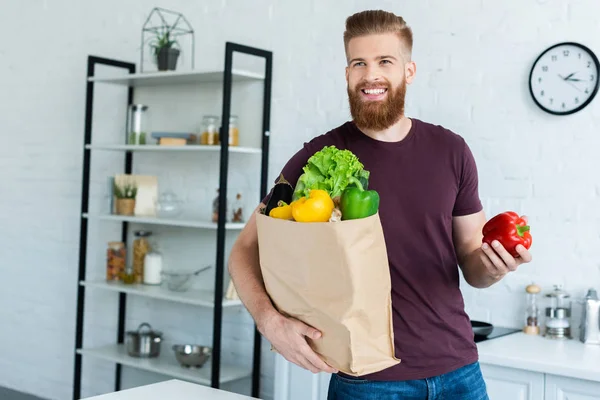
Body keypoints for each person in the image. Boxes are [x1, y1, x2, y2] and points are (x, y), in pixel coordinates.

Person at [228, 9, 532, 400]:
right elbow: (244, 249)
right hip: (368, 381)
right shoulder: (320, 156)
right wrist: (270, 322)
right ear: (347, 74)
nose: (371, 75)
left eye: (385, 62)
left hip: (459, 372)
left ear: (409, 71)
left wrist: (494, 269)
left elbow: (473, 264)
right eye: (359, 63)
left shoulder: (452, 151)